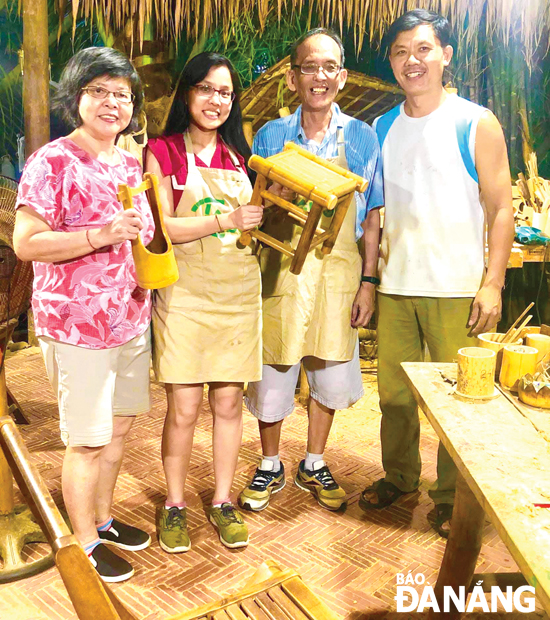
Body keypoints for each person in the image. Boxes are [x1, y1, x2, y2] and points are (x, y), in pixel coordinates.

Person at [359, 10, 515, 537]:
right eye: (401, 52)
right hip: (399, 285)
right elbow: (375, 212)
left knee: (460, 402)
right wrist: (371, 279)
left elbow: (501, 207)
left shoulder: (475, 121)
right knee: (395, 397)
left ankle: (451, 497)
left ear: (446, 55)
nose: (412, 60)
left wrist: (492, 282)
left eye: (423, 49)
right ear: (392, 63)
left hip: (458, 288)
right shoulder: (382, 126)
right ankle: (400, 477)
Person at [14, 47, 155, 582]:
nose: (111, 103)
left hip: (128, 320)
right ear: (77, 97)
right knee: (87, 439)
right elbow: (26, 243)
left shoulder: (127, 162)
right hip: (77, 326)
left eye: (122, 94)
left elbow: (139, 235)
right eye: (99, 90)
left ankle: (103, 517)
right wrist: (98, 235)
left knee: (117, 432)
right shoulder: (52, 160)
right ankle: (84, 542)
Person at [238, 29, 383, 513]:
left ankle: (314, 461)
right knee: (275, 367)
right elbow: (257, 208)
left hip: (339, 275)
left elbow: (372, 216)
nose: (318, 77)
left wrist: (368, 282)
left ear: (340, 76)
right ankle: (271, 463)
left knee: (328, 367)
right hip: (280, 270)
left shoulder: (362, 136)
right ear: (292, 75)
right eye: (308, 67)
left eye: (328, 67)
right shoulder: (271, 135)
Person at [145, 52, 263, 552]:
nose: (216, 100)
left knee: (230, 402)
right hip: (186, 294)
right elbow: (163, 225)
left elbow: (259, 220)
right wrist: (226, 220)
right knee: (185, 407)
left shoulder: (242, 155)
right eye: (206, 89)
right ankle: (174, 505)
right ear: (188, 92)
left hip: (237, 294)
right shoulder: (163, 151)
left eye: (225, 92)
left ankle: (220, 501)